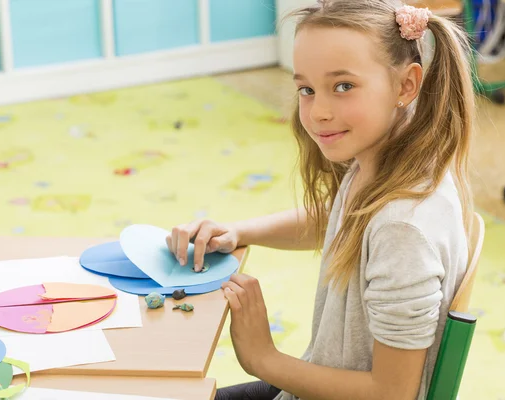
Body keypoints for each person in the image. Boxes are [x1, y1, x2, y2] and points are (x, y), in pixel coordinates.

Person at [166, 0, 475, 398]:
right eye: (307, 89)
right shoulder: (395, 164)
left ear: (406, 85)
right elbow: (343, 220)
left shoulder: (402, 229)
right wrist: (241, 231)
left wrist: (264, 358)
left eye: (343, 86)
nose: (319, 112)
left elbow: (392, 393)